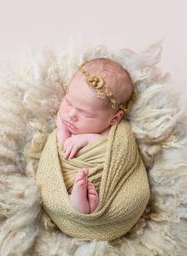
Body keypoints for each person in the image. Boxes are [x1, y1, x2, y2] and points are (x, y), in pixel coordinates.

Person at [54, 58, 134, 214]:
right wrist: (62, 132)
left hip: (103, 183)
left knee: (96, 191)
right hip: (69, 177)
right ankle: (78, 202)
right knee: (64, 185)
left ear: (114, 118)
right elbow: (63, 153)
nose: (71, 114)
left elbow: (113, 149)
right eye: (69, 102)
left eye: (86, 114)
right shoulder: (66, 124)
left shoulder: (114, 131)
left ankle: (88, 204)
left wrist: (86, 138)